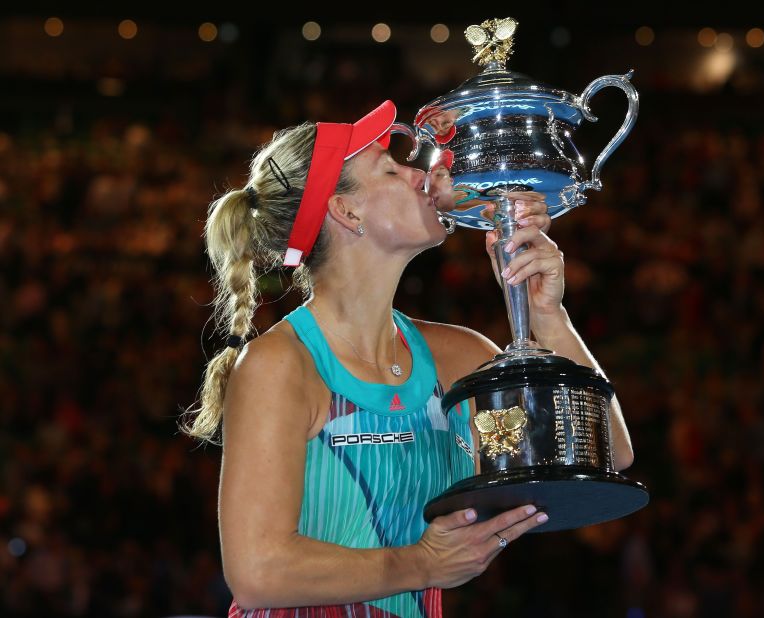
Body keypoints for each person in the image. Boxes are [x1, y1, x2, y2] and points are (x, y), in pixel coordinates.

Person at [180, 100, 634, 617]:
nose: (422, 174)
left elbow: (605, 454)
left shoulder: (456, 355)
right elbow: (258, 573)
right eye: (392, 169)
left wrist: (546, 313)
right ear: (344, 210)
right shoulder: (281, 365)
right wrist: (423, 564)